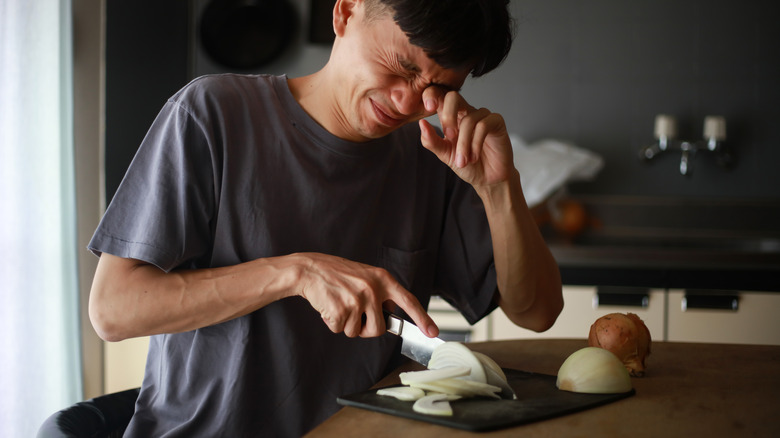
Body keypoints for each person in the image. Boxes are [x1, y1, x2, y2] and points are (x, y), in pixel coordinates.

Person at [87, 0, 563, 435]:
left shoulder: (428, 160)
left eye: (438, 88)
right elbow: (113, 309)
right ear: (346, 12)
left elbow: (536, 311)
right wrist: (295, 272)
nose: (407, 103)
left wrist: (499, 188)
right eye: (401, 66)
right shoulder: (212, 114)